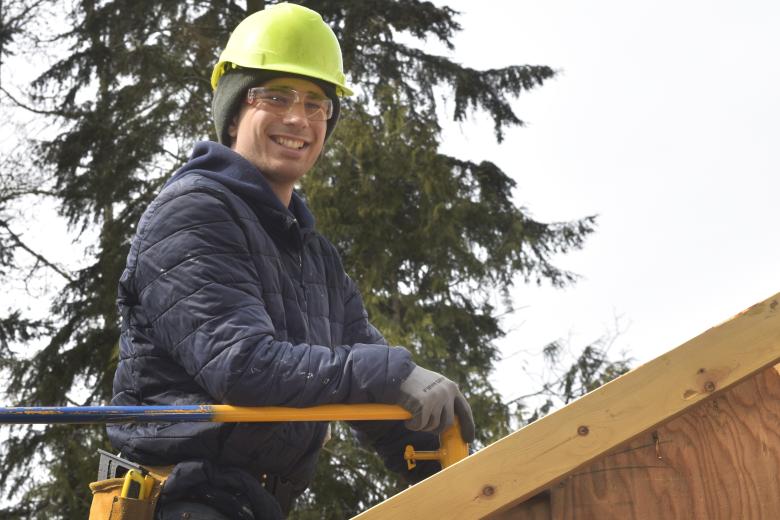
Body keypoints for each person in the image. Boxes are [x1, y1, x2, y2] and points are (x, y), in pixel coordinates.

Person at [107, 3, 475, 519]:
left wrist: (461, 465)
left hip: (251, 504)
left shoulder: (313, 255)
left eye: (316, 102)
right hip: (181, 500)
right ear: (234, 112)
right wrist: (395, 375)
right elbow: (241, 365)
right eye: (274, 96)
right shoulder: (193, 212)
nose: (298, 118)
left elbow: (366, 383)